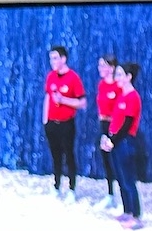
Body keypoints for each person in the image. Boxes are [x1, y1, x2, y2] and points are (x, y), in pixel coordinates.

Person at [100, 62, 143, 229]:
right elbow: (115, 121)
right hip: (117, 141)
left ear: (128, 77)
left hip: (126, 142)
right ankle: (127, 211)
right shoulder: (122, 96)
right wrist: (107, 136)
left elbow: (127, 124)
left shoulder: (133, 97)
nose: (116, 77)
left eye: (119, 74)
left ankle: (137, 216)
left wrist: (113, 140)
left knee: (129, 180)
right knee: (121, 179)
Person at [42, 45, 86, 202]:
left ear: (63, 59)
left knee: (69, 155)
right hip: (52, 123)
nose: (52, 61)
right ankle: (56, 186)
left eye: (55, 58)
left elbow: (83, 103)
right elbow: (48, 97)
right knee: (55, 156)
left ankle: (72, 189)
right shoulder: (50, 76)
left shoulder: (73, 78)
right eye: (50, 58)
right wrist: (45, 120)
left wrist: (64, 100)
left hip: (67, 123)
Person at [94, 53, 122, 211]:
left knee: (117, 161)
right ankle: (110, 195)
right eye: (99, 66)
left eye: (103, 65)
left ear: (112, 68)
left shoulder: (118, 85)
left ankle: (122, 198)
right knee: (106, 160)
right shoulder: (101, 84)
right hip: (103, 124)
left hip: (115, 125)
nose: (100, 69)